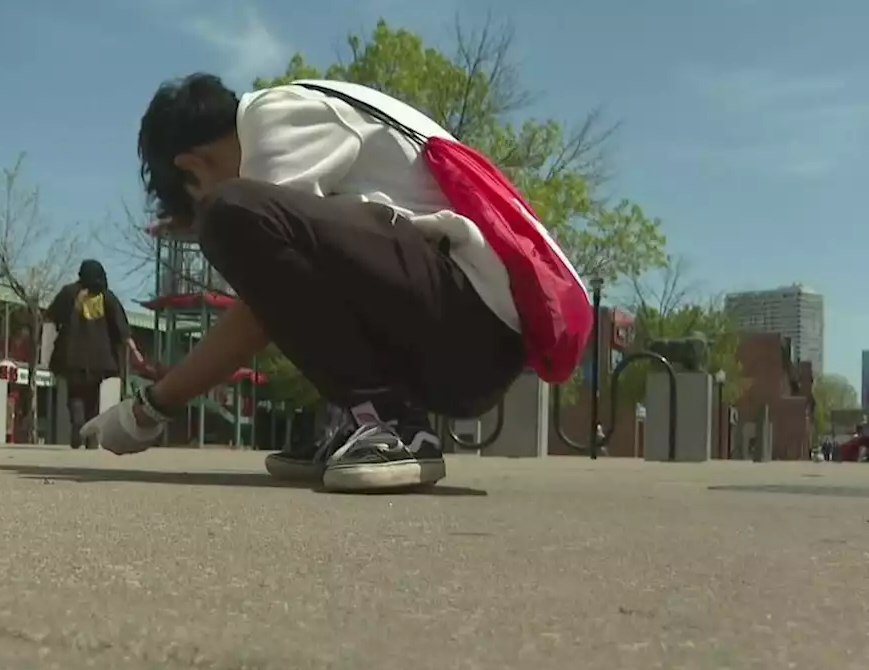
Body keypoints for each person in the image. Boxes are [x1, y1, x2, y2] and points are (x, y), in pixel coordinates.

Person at [82, 74, 587, 492]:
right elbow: (302, 286)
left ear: (191, 165)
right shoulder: (305, 118)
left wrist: (151, 407)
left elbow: (259, 308)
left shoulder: (273, 118)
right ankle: (361, 419)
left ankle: (388, 423)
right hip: (463, 338)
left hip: (474, 328)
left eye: (191, 197)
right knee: (241, 217)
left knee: (231, 213)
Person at [47, 260, 145, 449]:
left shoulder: (69, 293)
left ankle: (78, 423)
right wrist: (135, 352)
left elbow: (51, 317)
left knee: (74, 394)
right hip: (100, 358)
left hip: (71, 355)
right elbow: (122, 328)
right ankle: (91, 437)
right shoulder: (107, 297)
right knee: (92, 396)